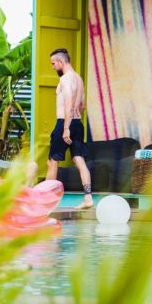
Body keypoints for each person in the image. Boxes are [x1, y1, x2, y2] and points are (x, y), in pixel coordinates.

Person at [46, 48, 94, 209]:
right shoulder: (78, 79)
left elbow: (68, 101)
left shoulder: (65, 79)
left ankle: (46, 202)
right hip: (77, 123)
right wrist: (73, 122)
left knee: (52, 162)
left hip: (64, 123)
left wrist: (66, 127)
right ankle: (88, 198)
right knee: (79, 160)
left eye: (53, 64)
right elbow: (82, 105)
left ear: (61, 62)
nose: (53, 67)